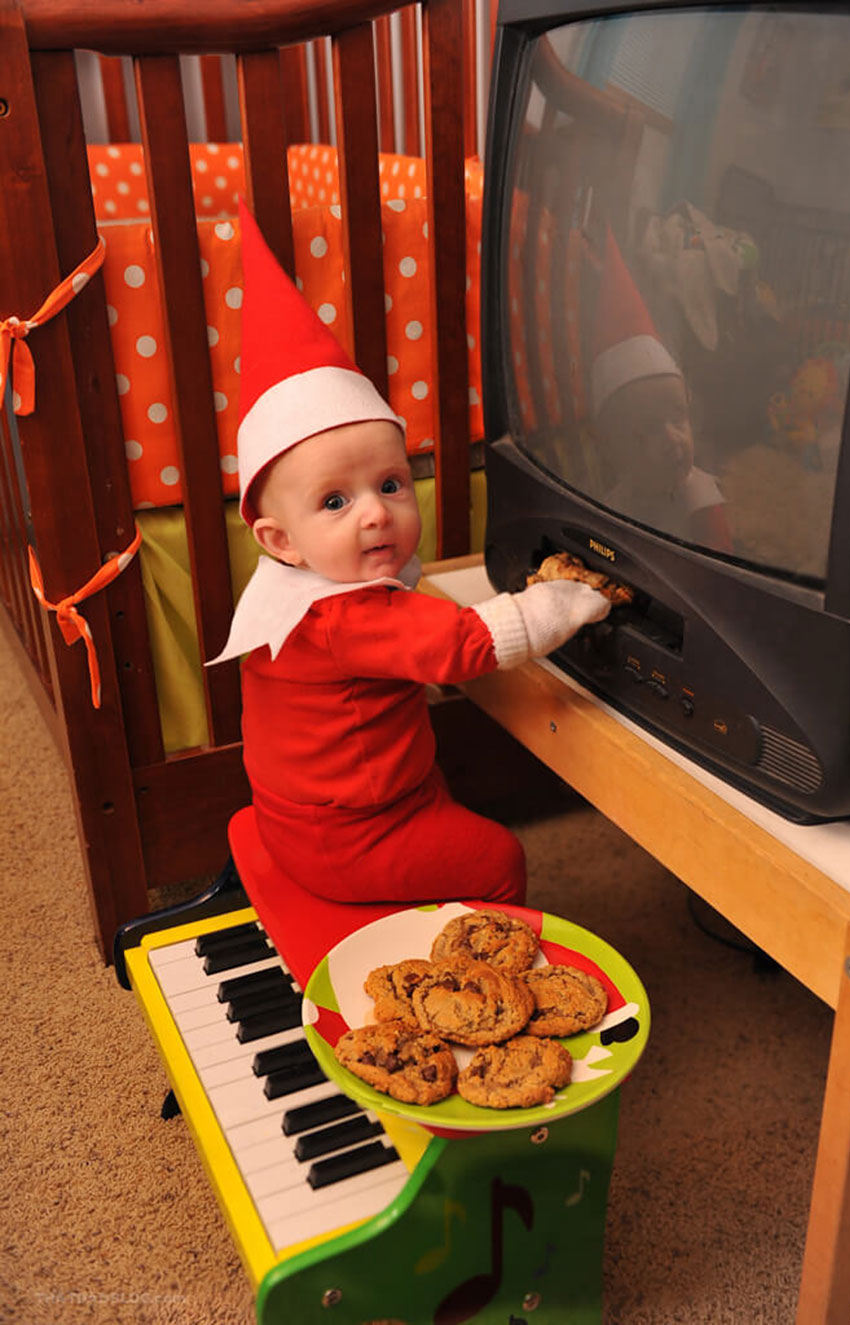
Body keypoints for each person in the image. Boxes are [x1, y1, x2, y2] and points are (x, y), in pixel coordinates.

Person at [211, 202, 612, 908]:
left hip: (303, 813)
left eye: (392, 483)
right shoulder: (341, 617)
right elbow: (465, 644)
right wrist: (564, 601)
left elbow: (410, 627)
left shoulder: (289, 589)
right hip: (350, 838)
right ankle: (486, 964)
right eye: (335, 502)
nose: (375, 511)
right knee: (496, 854)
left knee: (437, 794)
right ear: (279, 538)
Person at [591, 229, 733, 553]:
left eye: (678, 417)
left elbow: (720, 562)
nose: (673, 438)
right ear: (612, 449)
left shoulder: (700, 498)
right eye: (648, 429)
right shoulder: (616, 502)